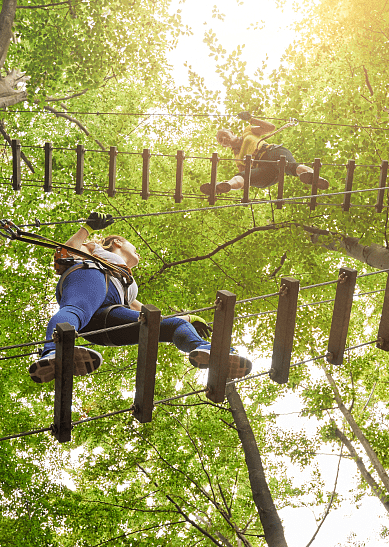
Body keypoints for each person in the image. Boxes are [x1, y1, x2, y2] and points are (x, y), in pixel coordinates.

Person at [30, 212, 251, 383]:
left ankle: (207, 350)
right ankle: (52, 351)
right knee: (78, 308)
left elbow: (149, 316)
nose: (139, 253)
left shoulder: (129, 286)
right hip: (90, 277)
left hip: (107, 317)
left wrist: (188, 319)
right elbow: (66, 251)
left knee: (166, 326)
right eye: (133, 246)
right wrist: (87, 228)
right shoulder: (95, 249)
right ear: (117, 242)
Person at [201, 113, 330, 195]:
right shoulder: (237, 158)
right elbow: (246, 174)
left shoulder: (247, 132)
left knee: (291, 166)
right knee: (243, 176)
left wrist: (251, 119)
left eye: (224, 135)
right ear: (223, 145)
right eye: (221, 140)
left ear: (231, 132)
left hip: (271, 152)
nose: (224, 139)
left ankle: (313, 177)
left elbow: (270, 128)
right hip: (265, 172)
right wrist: (249, 164)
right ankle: (224, 186)